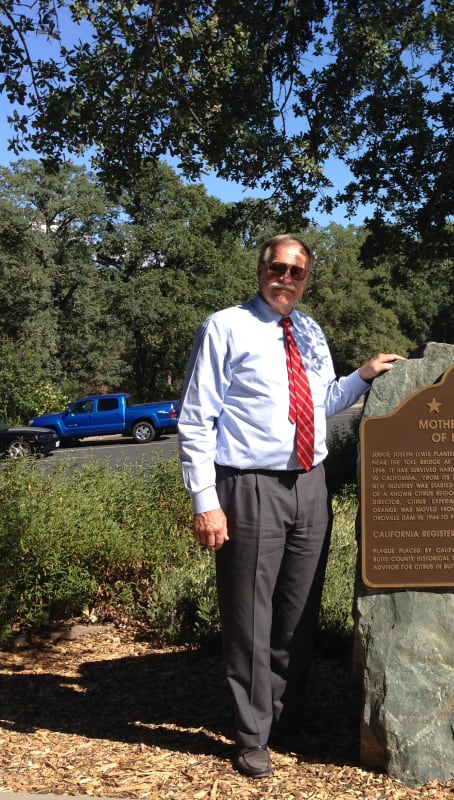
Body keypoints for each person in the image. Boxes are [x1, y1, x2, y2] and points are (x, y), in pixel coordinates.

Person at [178, 234, 403, 779]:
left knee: (298, 613)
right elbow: (195, 419)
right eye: (278, 267)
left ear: (306, 279)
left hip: (310, 483)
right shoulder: (225, 327)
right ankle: (251, 736)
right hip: (249, 485)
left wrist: (363, 376)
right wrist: (205, 501)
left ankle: (284, 717)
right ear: (261, 269)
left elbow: (322, 401)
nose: (286, 278)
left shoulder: (308, 330)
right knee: (250, 617)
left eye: (297, 272)